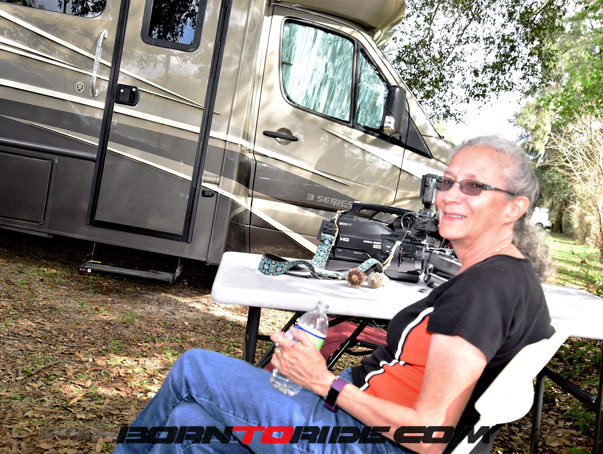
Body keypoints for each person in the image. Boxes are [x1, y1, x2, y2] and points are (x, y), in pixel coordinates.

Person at [113, 136, 554, 454]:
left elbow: (429, 435)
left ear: (514, 207)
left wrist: (323, 382)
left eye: (473, 186)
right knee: (187, 425)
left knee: (195, 368)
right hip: (357, 419)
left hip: (366, 441)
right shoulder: (499, 277)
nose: (449, 196)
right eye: (447, 182)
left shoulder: (488, 289)